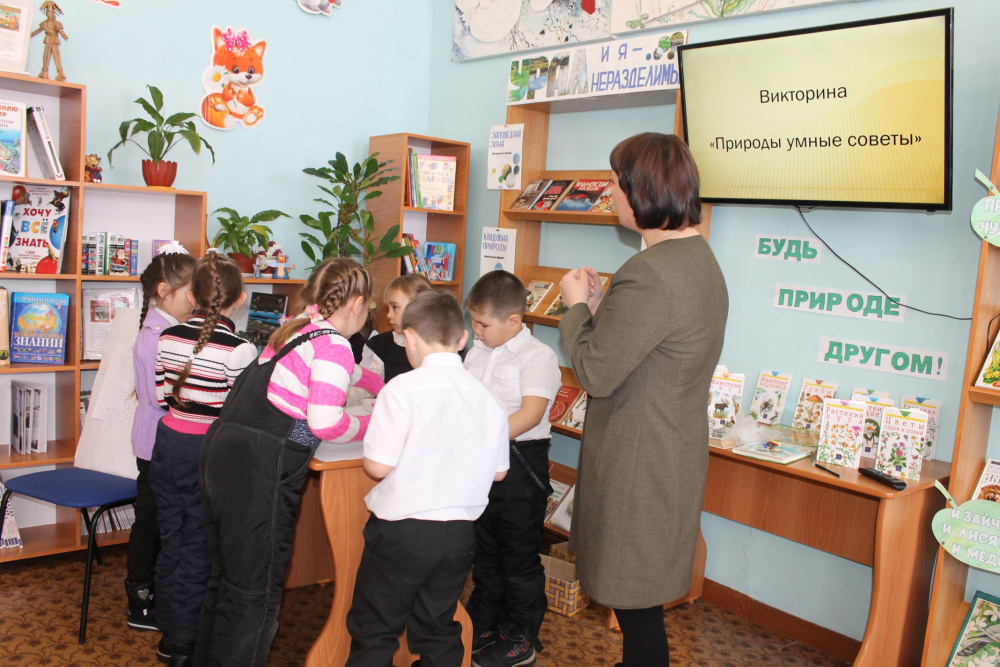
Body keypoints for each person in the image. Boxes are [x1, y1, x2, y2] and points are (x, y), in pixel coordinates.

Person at [557, 132, 728, 667]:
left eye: (615, 183)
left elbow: (595, 372)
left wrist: (575, 308)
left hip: (638, 461)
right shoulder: (698, 259)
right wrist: (603, 310)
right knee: (642, 603)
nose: (609, 193)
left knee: (636, 609)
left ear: (642, 191)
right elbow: (646, 347)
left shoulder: (650, 273)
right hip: (669, 451)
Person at [196, 257, 384, 667]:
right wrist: (377, 422)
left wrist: (383, 384)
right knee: (254, 592)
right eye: (369, 306)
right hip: (258, 468)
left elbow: (344, 373)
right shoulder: (333, 344)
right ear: (356, 303)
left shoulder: (299, 328)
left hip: (222, 453)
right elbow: (325, 422)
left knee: (226, 580)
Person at [345, 289, 509, 667]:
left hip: (403, 530)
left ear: (409, 338)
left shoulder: (402, 389)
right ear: (463, 338)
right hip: (459, 534)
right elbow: (499, 472)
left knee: (376, 627)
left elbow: (378, 468)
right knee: (437, 627)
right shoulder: (486, 397)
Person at [150, 251, 257, 667]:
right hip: (207, 450)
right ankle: (183, 642)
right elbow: (239, 414)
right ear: (240, 299)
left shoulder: (167, 337)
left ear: (192, 295)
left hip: (168, 442)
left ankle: (167, 627)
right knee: (200, 546)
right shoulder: (240, 350)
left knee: (171, 536)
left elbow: (162, 395)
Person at [462, 270, 561, 667]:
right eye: (473, 321)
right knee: (485, 551)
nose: (476, 330)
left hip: (521, 463)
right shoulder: (476, 352)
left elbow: (531, 413)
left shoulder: (538, 356)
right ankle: (484, 625)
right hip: (480, 463)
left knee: (518, 556)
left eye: (483, 324)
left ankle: (520, 636)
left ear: (514, 321)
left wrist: (482, 438)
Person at [125, 244, 196, 632]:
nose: (196, 301)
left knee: (163, 520)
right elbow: (159, 397)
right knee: (150, 523)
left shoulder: (169, 329)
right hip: (156, 442)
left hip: (163, 441)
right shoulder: (156, 335)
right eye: (191, 293)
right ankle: (140, 599)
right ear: (164, 291)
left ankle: (158, 590)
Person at [362, 273, 433, 383]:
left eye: (395, 307)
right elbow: (367, 386)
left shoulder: (439, 346)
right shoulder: (382, 344)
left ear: (419, 307)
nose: (388, 315)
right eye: (388, 308)